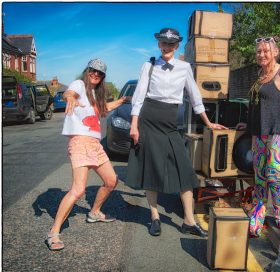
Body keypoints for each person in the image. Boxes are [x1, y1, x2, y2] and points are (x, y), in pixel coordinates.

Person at [126, 28, 226, 237]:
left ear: (177, 46)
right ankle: (154, 217)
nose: (167, 47)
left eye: (171, 44)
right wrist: (134, 125)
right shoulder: (149, 65)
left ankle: (188, 221)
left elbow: (195, 96)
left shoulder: (184, 67)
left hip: (171, 123)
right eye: (164, 43)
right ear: (159, 44)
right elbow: (139, 96)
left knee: (184, 171)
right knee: (151, 169)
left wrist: (208, 123)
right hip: (149, 121)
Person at [46, 59, 125, 251]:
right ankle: (53, 232)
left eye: (99, 73)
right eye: (93, 70)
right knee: (78, 190)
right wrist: (70, 97)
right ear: (87, 70)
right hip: (80, 142)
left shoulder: (94, 95)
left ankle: (95, 212)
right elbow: (69, 93)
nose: (95, 74)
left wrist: (123, 101)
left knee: (111, 180)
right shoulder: (79, 85)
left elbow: (104, 108)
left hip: (95, 144)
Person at [236, 36, 280, 237]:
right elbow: (259, 106)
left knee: (273, 173)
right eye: (258, 52)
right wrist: (249, 124)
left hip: (278, 132)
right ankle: (258, 214)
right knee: (259, 177)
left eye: (266, 51)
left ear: (276, 52)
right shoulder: (260, 74)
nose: (261, 54)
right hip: (259, 133)